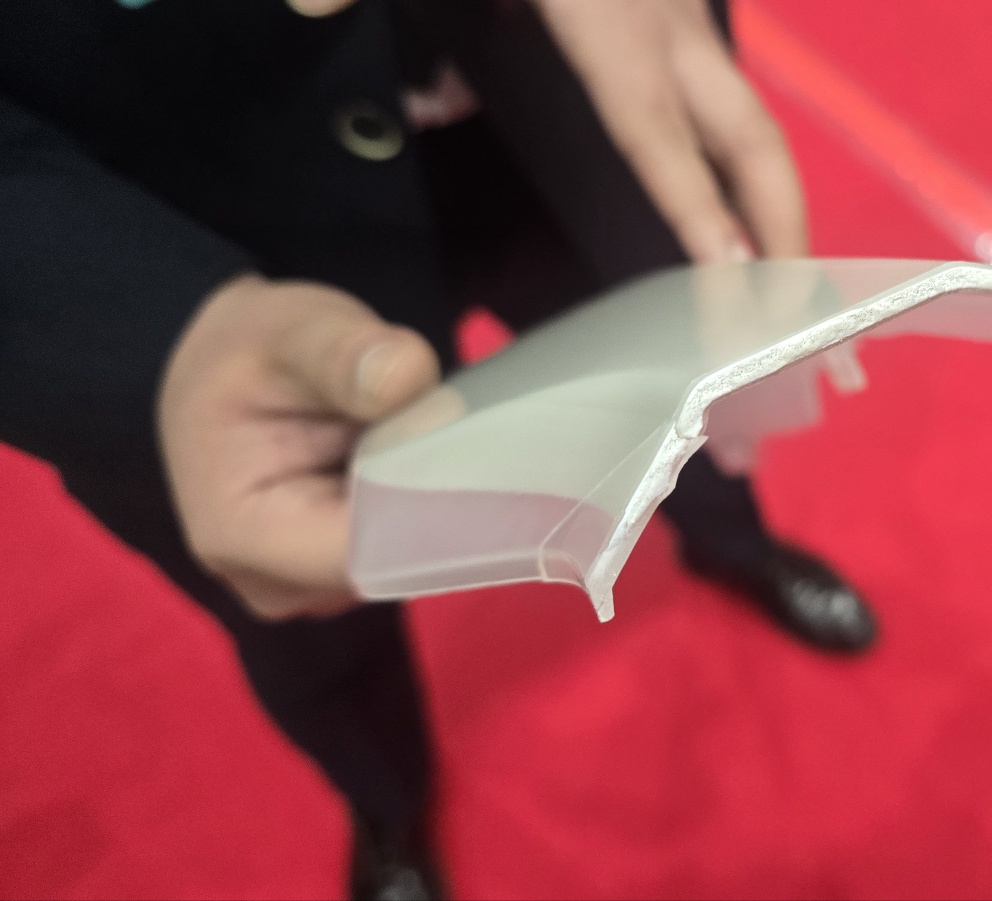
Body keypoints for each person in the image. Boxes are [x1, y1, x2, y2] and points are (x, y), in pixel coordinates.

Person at [0, 0, 877, 896]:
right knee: (313, 592)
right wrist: (143, 334)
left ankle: (735, 544)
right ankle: (387, 801)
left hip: (541, 110)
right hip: (182, 213)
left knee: (672, 397)